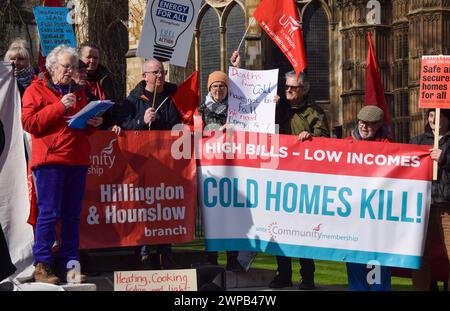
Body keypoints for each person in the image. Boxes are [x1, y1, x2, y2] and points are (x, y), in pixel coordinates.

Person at [21, 45, 103, 284]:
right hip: (50, 161)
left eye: (73, 66)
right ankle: (42, 265)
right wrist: (59, 107)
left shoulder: (79, 91)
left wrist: (93, 122)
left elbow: (79, 126)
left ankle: (69, 265)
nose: (70, 71)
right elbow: (29, 123)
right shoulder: (35, 90)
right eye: (66, 66)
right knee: (48, 214)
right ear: (52, 67)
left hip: (77, 159)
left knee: (72, 215)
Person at [116, 59, 181, 269]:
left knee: (164, 208)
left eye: (161, 72)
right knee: (143, 208)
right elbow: (123, 125)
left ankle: (165, 251)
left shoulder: (173, 97)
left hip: (166, 163)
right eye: (154, 72)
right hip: (141, 163)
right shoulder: (134, 99)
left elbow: (179, 123)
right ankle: (143, 253)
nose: (159, 76)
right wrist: (141, 121)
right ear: (145, 75)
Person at [269, 71, 330, 290]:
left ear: (304, 90)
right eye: (286, 87)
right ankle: (283, 274)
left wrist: (311, 139)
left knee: (303, 231)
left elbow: (326, 143)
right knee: (277, 229)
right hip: (277, 178)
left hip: (303, 180)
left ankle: (307, 277)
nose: (288, 90)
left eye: (293, 87)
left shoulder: (315, 113)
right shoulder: (277, 108)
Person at [198, 70, 244, 271]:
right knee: (211, 216)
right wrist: (217, 132)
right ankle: (211, 258)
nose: (218, 90)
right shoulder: (201, 110)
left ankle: (232, 258)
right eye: (215, 86)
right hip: (210, 170)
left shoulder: (235, 110)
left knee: (231, 215)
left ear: (227, 89)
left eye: (222, 86)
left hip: (233, 168)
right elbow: (195, 134)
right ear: (209, 89)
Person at [345, 105, 391, 291]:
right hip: (353, 220)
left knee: (378, 272)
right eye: (361, 122)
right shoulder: (346, 144)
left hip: (378, 223)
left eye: (369, 124)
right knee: (356, 272)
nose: (363, 127)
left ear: (379, 124)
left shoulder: (390, 149)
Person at [410, 108, 450, 291]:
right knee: (419, 256)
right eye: (432, 115)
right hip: (422, 208)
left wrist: (445, 159)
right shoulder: (417, 142)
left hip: (447, 208)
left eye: (439, 115)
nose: (434, 119)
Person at [79, 43, 117, 129]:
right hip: (82, 130)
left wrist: (111, 125)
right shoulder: (73, 81)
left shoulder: (106, 79)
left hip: (103, 131)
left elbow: (113, 107)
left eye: (95, 58)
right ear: (80, 58)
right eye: (89, 57)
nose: (92, 61)